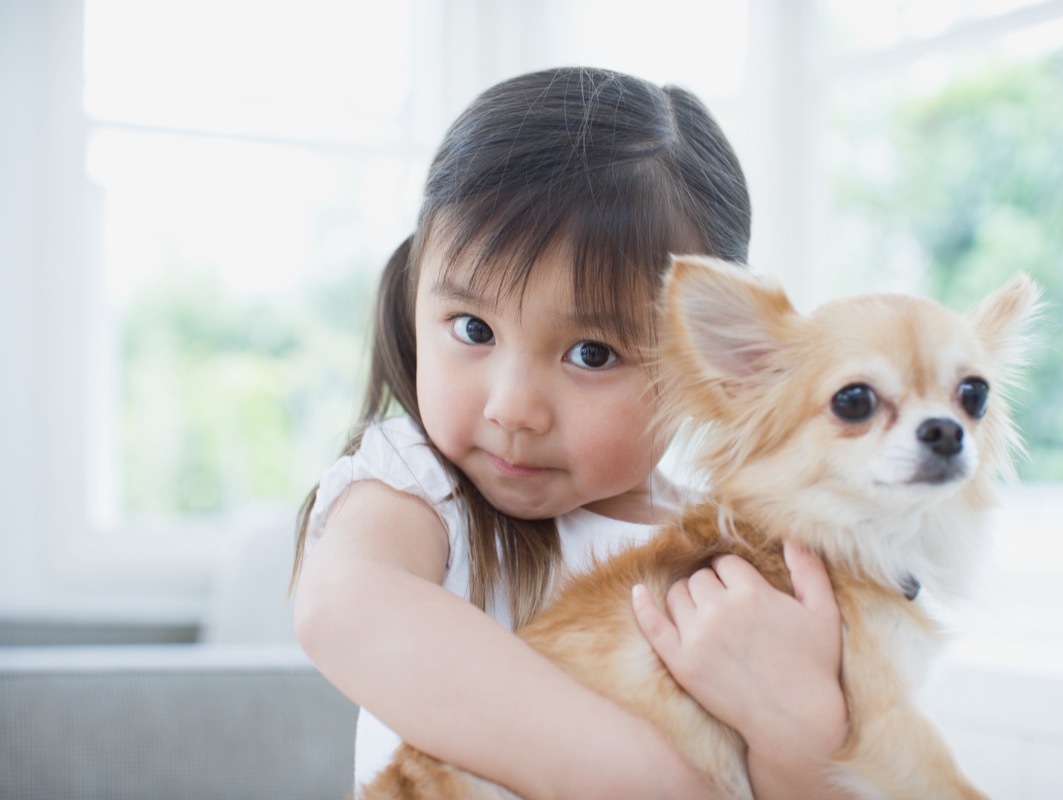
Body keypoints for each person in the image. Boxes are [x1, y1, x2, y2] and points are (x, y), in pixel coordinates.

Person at [291, 66, 848, 799]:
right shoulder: (420, 489)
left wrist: (798, 730)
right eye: (473, 328)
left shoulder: (730, 560)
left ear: (710, 362)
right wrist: (653, 783)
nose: (513, 407)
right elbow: (344, 607)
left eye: (592, 353)